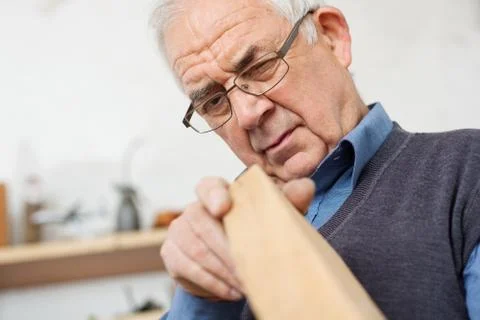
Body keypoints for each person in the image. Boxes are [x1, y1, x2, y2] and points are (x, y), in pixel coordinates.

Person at [150, 0, 480, 318]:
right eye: (214, 101)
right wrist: (203, 296)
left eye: (261, 67)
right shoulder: (220, 235)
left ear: (332, 38)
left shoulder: (466, 171)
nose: (248, 114)